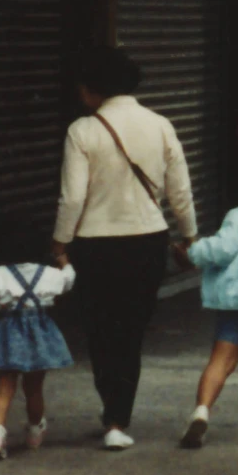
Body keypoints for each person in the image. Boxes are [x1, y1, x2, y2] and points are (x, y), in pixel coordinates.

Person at [52, 45, 196, 452]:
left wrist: (60, 241)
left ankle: (112, 412)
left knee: (101, 331)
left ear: (93, 88)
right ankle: (119, 417)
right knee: (131, 332)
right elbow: (179, 191)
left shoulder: (83, 131)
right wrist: (189, 236)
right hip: (147, 241)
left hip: (95, 245)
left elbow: (72, 198)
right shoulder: (160, 124)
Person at [0, 230, 74, 461]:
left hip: (8, 332)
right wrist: (64, 261)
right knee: (34, 388)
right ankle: (35, 430)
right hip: (38, 333)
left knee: (3, 389)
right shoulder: (48, 273)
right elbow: (67, 280)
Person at [176, 199, 238, 451]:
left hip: (237, 304)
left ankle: (202, 410)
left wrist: (191, 252)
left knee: (221, 361)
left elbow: (221, 249)